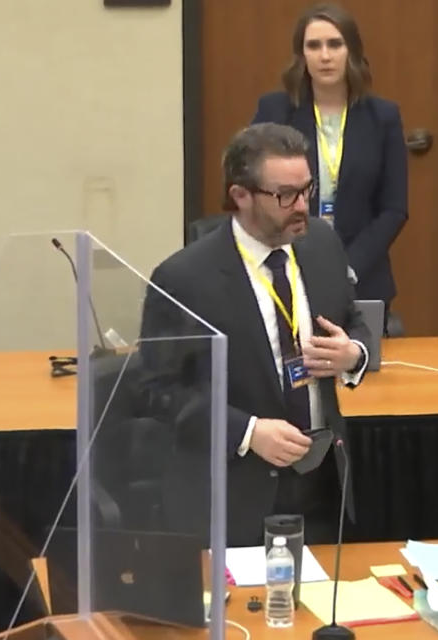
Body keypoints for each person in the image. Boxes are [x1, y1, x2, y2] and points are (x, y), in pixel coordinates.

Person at [141, 123, 370, 545]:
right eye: (285, 195)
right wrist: (246, 431)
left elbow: (354, 322)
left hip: (323, 482)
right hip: (235, 495)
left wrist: (353, 354)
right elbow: (159, 392)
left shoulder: (321, 243)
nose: (302, 206)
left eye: (307, 190)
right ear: (240, 195)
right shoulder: (184, 278)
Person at [251, 3, 408, 319]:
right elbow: (253, 189)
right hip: (286, 267)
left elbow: (394, 209)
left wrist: (347, 268)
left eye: (335, 44)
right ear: (302, 54)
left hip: (362, 277)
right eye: (314, 45)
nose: (325, 56)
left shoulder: (383, 117)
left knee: (360, 363)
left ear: (351, 50)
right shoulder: (275, 111)